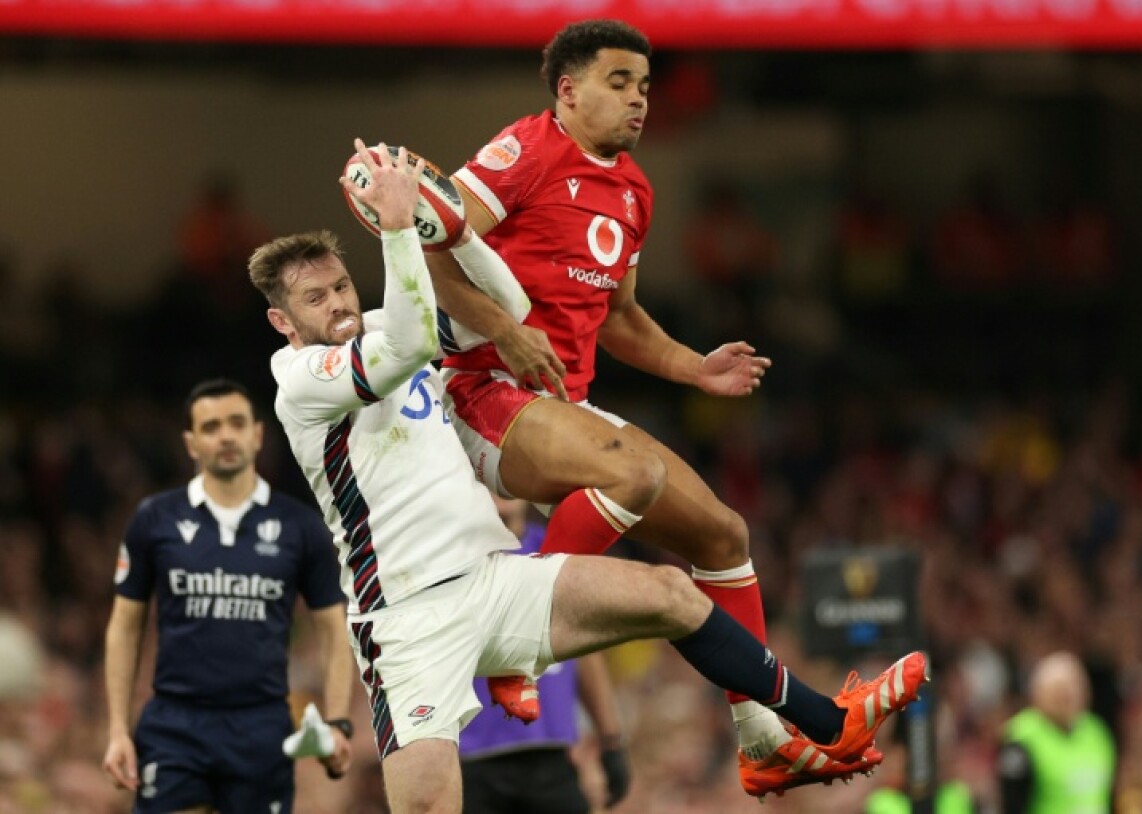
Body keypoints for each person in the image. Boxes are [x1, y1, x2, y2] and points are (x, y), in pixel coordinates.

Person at [246, 139, 927, 811]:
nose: (336, 303)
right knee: (429, 807)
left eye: (340, 285)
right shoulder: (299, 379)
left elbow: (508, 307)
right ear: (283, 320)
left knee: (672, 594)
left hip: (494, 579)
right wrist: (398, 227)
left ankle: (825, 724)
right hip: (408, 618)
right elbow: (410, 342)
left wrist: (448, 227)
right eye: (315, 298)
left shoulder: (382, 322)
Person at [417, 18, 845, 796]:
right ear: (568, 89)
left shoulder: (634, 191)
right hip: (481, 393)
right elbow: (430, 253)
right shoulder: (524, 150)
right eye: (619, 83)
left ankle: (758, 734)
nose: (638, 102)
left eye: (645, 87)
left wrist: (695, 368)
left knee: (722, 534)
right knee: (635, 475)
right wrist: (506, 334)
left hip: (562, 407)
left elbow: (619, 320)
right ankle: (519, 645)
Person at [102, 378, 354, 813]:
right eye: (211, 426)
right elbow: (125, 626)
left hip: (262, 725)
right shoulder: (153, 520)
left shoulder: (301, 527)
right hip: (174, 724)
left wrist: (339, 721)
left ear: (257, 434)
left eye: (237, 423)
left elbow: (333, 628)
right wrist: (118, 730)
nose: (225, 436)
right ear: (191, 443)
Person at [460, 495, 630, 814]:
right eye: (488, 475)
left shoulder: (561, 558)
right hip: (471, 760)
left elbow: (586, 654)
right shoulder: (453, 560)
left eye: (506, 476)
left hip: (553, 758)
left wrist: (611, 740)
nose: (500, 489)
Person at [996, 651, 1116, 814]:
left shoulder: (1097, 732)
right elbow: (1012, 804)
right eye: (1060, 690)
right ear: (1039, 694)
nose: (1070, 696)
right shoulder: (1022, 737)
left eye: (1076, 687)